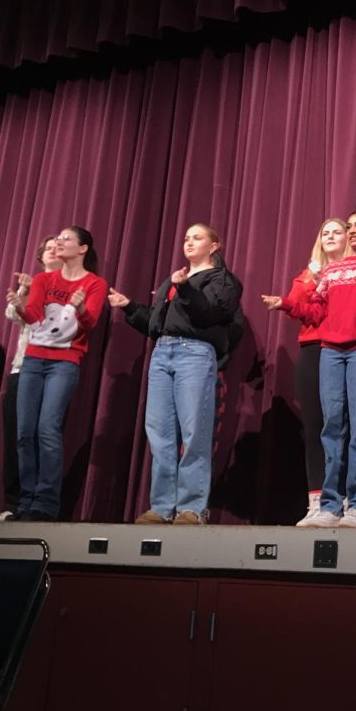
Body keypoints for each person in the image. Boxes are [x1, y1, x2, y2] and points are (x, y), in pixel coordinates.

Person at [262, 210, 356, 528]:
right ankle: (330, 505)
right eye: (350, 226)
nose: (352, 231)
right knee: (332, 429)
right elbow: (315, 310)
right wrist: (285, 304)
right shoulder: (335, 268)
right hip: (330, 351)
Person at [108, 223, 241, 525]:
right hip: (163, 353)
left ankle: (191, 508)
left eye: (197, 238)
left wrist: (184, 289)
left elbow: (208, 314)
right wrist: (129, 307)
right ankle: (162, 506)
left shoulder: (222, 280)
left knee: (194, 432)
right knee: (160, 433)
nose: (189, 242)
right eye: (186, 238)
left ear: (214, 246)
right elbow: (159, 325)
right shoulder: (173, 279)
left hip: (194, 354)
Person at [7, 226, 106, 521]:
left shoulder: (94, 283)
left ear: (83, 248)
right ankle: (25, 501)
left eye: (66, 239)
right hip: (33, 360)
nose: (59, 243)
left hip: (64, 362)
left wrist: (79, 309)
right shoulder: (43, 279)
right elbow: (35, 316)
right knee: (24, 432)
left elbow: (89, 324)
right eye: (58, 239)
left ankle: (46, 503)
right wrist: (20, 306)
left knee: (47, 429)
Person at [270, 218, 349, 526]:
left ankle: (341, 500)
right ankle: (317, 501)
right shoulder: (307, 274)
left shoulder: (354, 271)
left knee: (340, 425)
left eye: (337, 232)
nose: (330, 236)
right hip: (312, 350)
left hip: (342, 349)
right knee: (314, 426)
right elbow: (296, 308)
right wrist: (313, 279)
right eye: (325, 232)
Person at [0, 236, 61, 522]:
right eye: (47, 248)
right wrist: (26, 289)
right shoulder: (34, 283)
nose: (52, 250)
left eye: (57, 246)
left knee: (43, 436)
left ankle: (40, 502)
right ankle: (17, 503)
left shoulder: (65, 284)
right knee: (18, 436)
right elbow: (13, 315)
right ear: (41, 256)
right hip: (22, 367)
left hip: (51, 369)